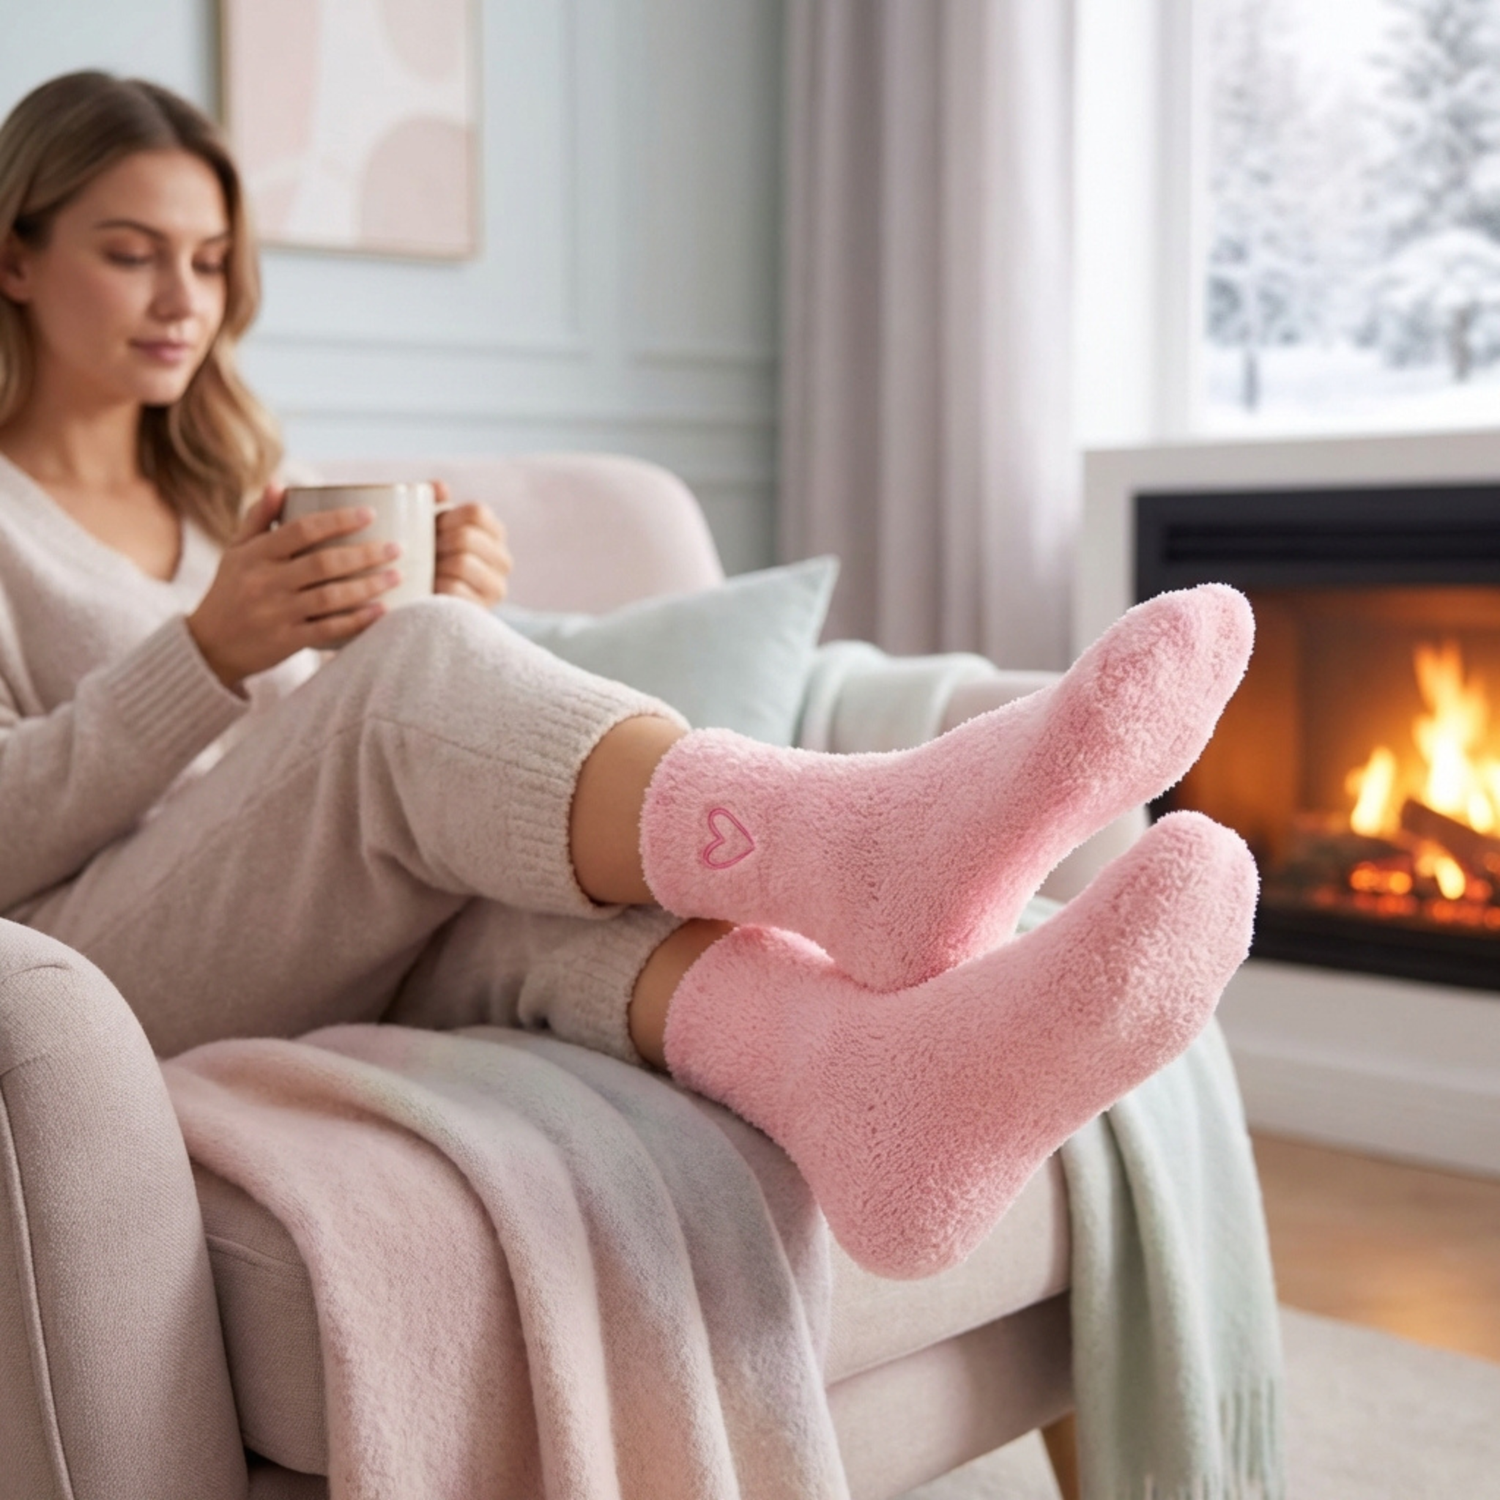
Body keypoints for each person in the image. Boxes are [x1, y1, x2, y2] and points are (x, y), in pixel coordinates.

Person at [0, 70, 1257, 1282]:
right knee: (418, 679)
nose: (183, 296)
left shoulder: (231, 486)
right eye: (130, 251)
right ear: (14, 256)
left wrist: (412, 616)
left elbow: (279, 779)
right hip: (80, 993)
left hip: (268, 931)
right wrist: (214, 655)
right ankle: (865, 842)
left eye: (212, 260)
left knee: (529, 877)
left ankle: (879, 1099)